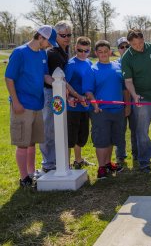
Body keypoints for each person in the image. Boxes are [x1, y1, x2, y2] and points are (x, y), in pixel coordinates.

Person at [5, 25, 57, 187]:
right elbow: (9, 78)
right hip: (22, 105)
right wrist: (16, 102)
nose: (49, 45)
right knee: (22, 142)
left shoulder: (42, 53)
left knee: (32, 141)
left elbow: (45, 75)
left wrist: (58, 83)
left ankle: (31, 172)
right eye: (49, 42)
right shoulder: (20, 53)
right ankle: (23, 178)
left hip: (37, 104)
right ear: (41, 37)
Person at [121, 29, 151, 173]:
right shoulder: (127, 58)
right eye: (134, 44)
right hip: (142, 99)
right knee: (142, 132)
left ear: (144, 39)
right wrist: (135, 95)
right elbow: (128, 81)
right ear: (130, 43)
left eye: (140, 42)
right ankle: (144, 162)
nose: (138, 46)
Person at [40, 21, 84, 172]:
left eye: (69, 35)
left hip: (60, 93)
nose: (67, 37)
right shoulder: (53, 52)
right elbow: (61, 80)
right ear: (55, 35)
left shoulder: (65, 51)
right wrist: (77, 95)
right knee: (49, 128)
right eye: (63, 35)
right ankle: (48, 164)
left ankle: (57, 162)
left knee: (59, 128)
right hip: (50, 94)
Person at [83, 40, 129, 179]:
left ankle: (108, 163)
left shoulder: (118, 67)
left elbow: (124, 88)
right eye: (100, 52)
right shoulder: (92, 69)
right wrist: (95, 104)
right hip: (100, 111)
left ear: (110, 51)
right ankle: (101, 168)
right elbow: (88, 91)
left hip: (118, 110)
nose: (103, 54)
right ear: (96, 53)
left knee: (111, 139)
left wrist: (126, 105)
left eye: (105, 51)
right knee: (102, 140)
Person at [65, 37, 94, 169]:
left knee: (82, 135)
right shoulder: (71, 64)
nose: (83, 53)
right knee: (71, 136)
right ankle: (66, 164)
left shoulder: (89, 63)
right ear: (75, 48)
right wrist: (73, 97)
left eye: (86, 51)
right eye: (80, 50)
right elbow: (64, 83)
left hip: (85, 107)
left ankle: (78, 160)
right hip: (73, 107)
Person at [115, 36, 138, 167]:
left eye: (127, 46)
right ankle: (120, 155)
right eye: (121, 47)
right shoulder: (115, 64)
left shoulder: (135, 61)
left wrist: (130, 105)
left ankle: (137, 154)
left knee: (136, 129)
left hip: (134, 100)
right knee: (120, 129)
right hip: (119, 102)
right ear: (118, 49)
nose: (124, 49)